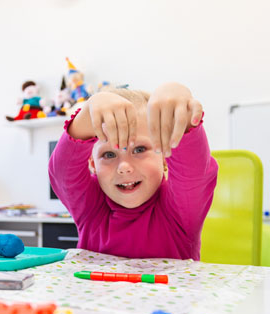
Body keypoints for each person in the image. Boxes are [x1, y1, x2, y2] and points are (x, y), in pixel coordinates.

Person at [49, 83, 218, 260]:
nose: (124, 167)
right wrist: (87, 114)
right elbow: (62, 174)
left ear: (164, 157)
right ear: (92, 164)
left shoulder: (180, 211)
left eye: (139, 150)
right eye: (108, 154)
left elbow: (193, 172)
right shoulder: (91, 208)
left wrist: (179, 111)